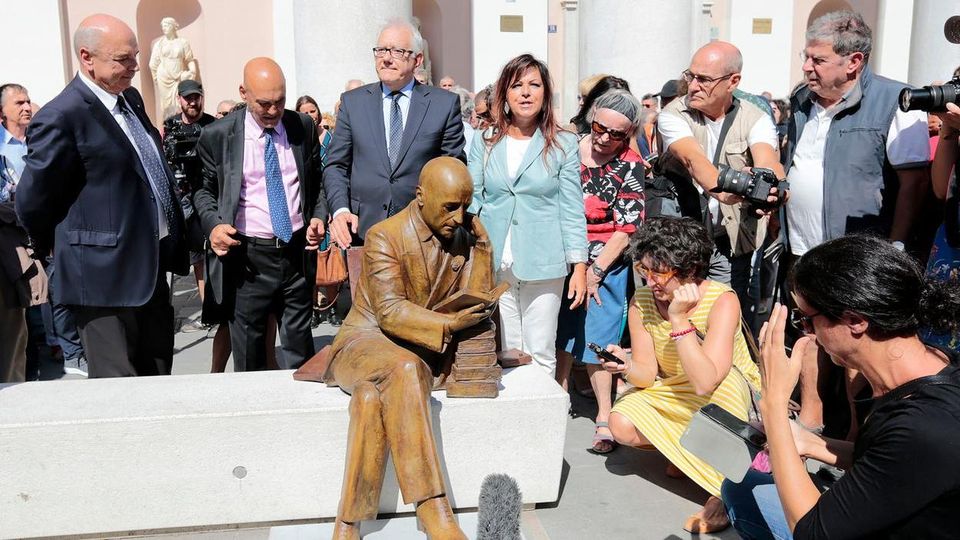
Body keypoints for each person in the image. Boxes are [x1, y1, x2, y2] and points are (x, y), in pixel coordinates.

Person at [722, 235, 960, 539]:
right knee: (746, 485)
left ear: (855, 320)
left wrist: (773, 403)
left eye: (806, 320)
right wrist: (809, 443)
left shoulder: (925, 426)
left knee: (744, 496)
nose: (806, 335)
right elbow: (889, 460)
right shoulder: (930, 365)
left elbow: (810, 532)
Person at [324, 157, 493, 540]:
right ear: (421, 197)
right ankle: (433, 507)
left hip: (412, 352)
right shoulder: (386, 235)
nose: (460, 216)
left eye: (466, 206)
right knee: (404, 369)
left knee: (369, 399)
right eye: (450, 206)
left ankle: (347, 522)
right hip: (364, 342)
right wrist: (448, 324)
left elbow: (477, 299)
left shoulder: (463, 237)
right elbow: (390, 312)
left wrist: (482, 248)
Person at [15, 14, 189, 378]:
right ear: (86, 58)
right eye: (123, 59)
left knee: (158, 381)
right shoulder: (62, 116)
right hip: (102, 283)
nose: (135, 66)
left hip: (151, 269)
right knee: (119, 391)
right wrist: (65, 247)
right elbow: (32, 201)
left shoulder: (130, 99)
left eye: (135, 56)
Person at [783, 10, 930, 435]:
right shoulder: (800, 101)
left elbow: (914, 184)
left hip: (861, 256)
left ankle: (857, 435)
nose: (807, 67)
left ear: (854, 62)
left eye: (818, 59)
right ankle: (812, 418)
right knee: (809, 329)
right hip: (803, 248)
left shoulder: (897, 100)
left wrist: (895, 245)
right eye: (805, 57)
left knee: (858, 350)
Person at [601, 216, 762, 534]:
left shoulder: (721, 299)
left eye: (658, 272)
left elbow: (707, 380)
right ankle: (691, 450)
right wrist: (626, 366)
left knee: (724, 391)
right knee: (620, 423)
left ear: (689, 271)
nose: (650, 282)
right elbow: (647, 374)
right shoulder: (643, 301)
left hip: (723, 386)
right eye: (643, 271)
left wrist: (677, 318)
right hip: (674, 385)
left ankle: (724, 490)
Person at [193, 57, 325, 372]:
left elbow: (317, 183)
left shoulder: (301, 126)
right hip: (248, 260)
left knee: (300, 351)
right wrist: (213, 227)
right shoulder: (219, 136)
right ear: (244, 93)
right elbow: (202, 191)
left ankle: (303, 414)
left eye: (279, 102)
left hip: (295, 254)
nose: (273, 111)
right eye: (264, 103)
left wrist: (319, 216)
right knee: (250, 357)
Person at [468, 53, 587, 377]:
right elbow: (474, 198)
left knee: (540, 351)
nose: (525, 92)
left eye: (534, 85)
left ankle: (542, 426)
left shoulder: (563, 143)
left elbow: (572, 206)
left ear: (545, 93)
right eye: (517, 85)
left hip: (545, 259)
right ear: (504, 93)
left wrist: (579, 265)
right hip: (495, 260)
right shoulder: (485, 142)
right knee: (505, 350)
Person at [657, 41, 785, 324]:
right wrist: (734, 192)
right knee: (677, 317)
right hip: (682, 241)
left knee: (725, 321)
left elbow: (768, 160)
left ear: (733, 81)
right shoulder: (672, 115)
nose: (692, 86)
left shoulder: (756, 118)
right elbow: (694, 161)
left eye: (703, 79)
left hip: (729, 240)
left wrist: (772, 189)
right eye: (690, 76)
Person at [555, 88, 645, 454]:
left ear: (629, 135)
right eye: (599, 127)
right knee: (562, 328)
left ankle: (605, 413)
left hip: (606, 261)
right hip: (562, 255)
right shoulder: (566, 149)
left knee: (600, 334)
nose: (605, 138)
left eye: (617, 134)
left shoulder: (630, 164)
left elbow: (626, 229)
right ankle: (558, 394)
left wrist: (594, 270)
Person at [324, 18, 465, 249]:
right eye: (381, 50)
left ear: (417, 60)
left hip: (423, 236)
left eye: (397, 51)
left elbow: (453, 169)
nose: (386, 58)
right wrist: (340, 210)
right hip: (362, 233)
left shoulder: (443, 105)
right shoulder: (353, 102)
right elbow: (336, 165)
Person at [295, 94, 342, 327]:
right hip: (309, 205)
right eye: (304, 111)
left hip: (330, 202)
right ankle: (313, 307)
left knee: (330, 254)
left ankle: (332, 307)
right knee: (311, 258)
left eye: (312, 110)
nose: (309, 115)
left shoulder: (331, 139)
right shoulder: (297, 140)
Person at [149, 17, 199, 120]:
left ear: (173, 26)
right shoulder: (159, 44)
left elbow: (189, 59)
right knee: (166, 105)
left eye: (166, 25)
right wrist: (156, 78)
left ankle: (183, 124)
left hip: (179, 77)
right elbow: (153, 63)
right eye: (163, 26)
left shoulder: (183, 42)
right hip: (164, 77)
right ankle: (169, 126)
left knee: (181, 101)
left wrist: (193, 72)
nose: (164, 28)